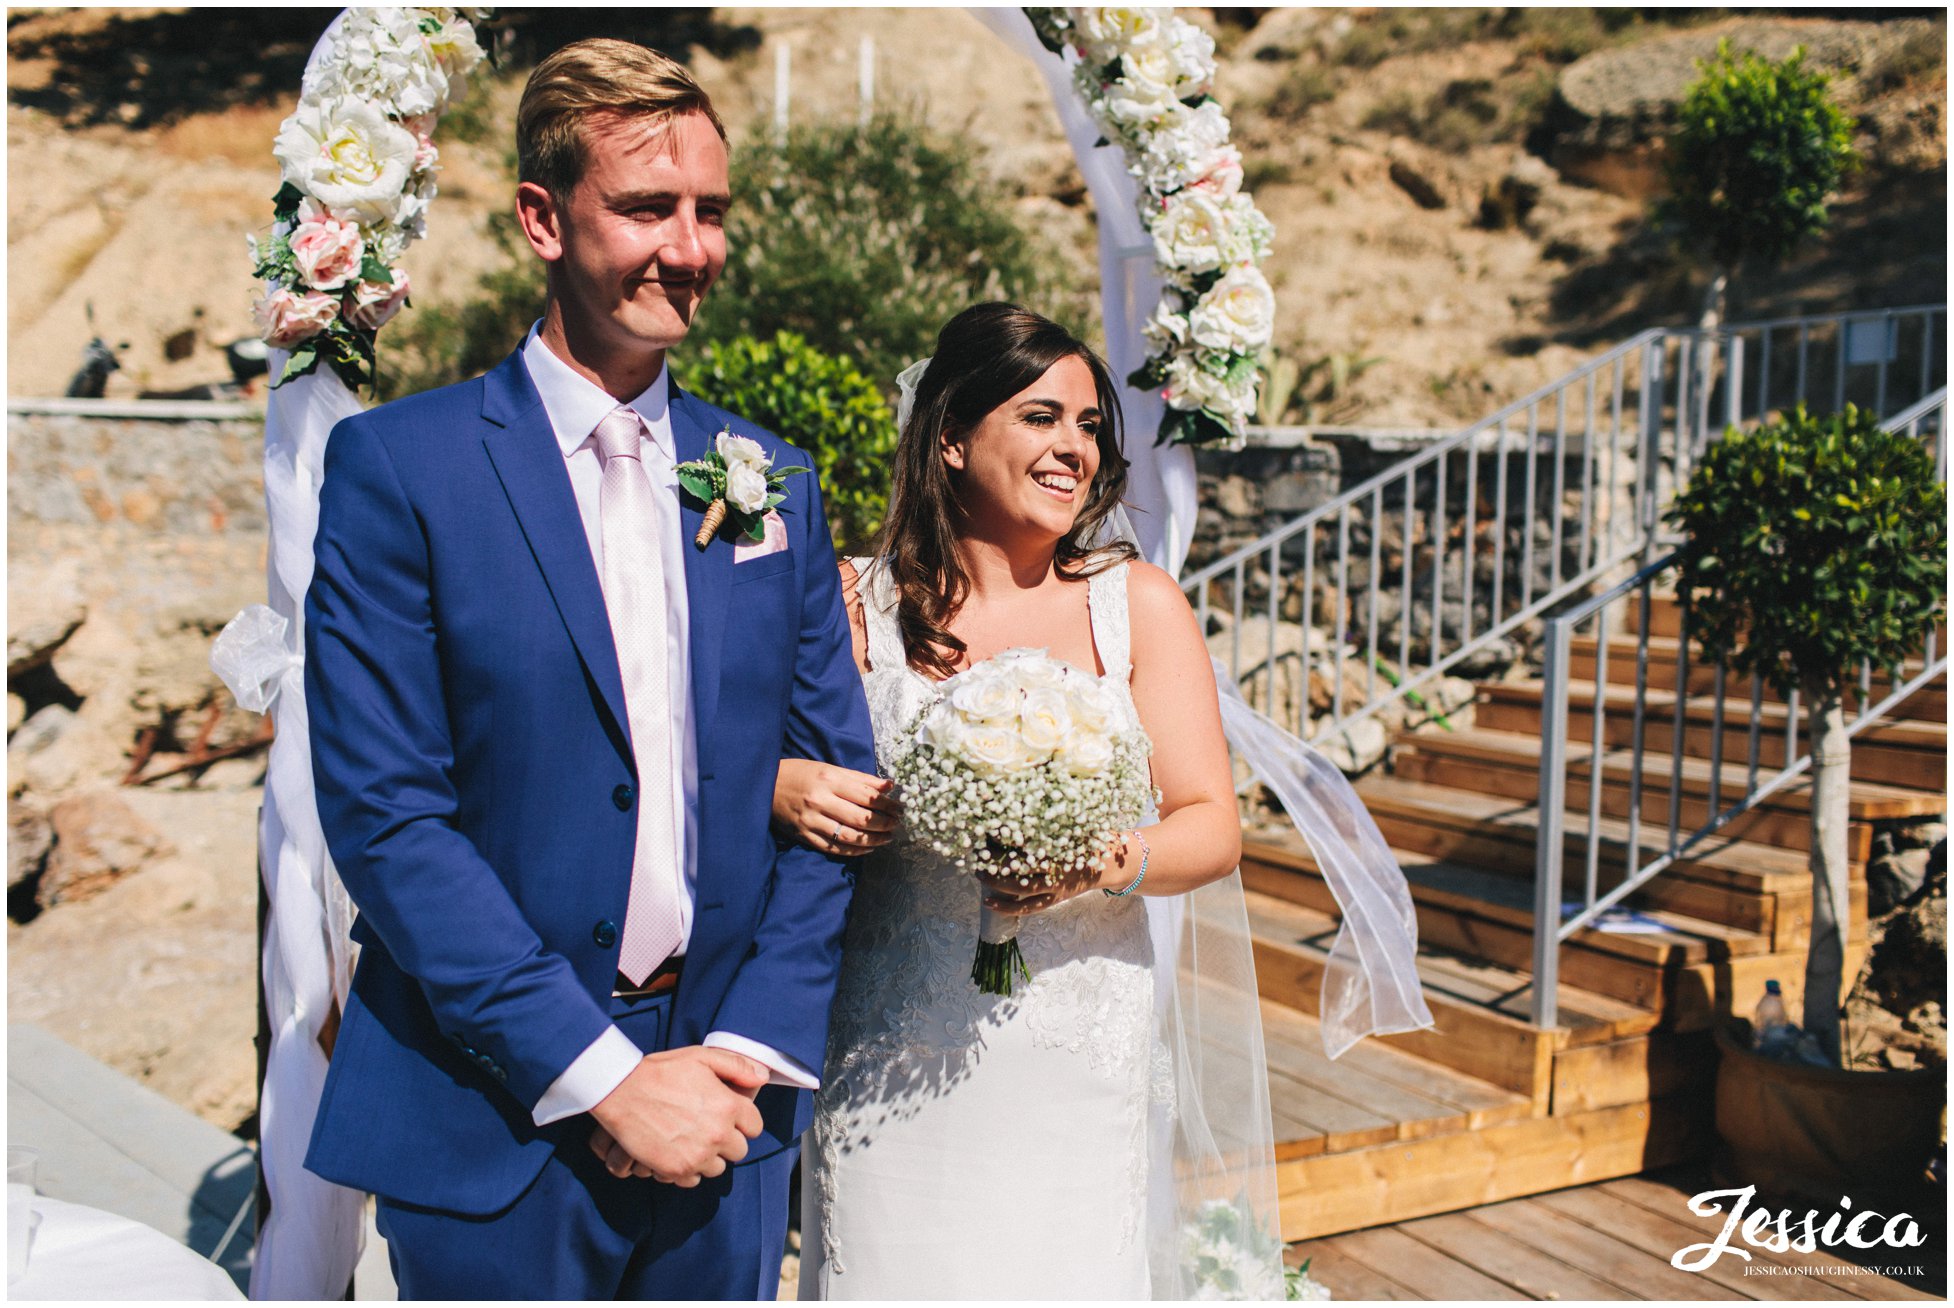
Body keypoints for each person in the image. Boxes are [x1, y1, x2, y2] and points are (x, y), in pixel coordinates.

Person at [300, 39, 875, 1300]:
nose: (690, 247)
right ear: (542, 219)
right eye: (647, 208)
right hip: (490, 1113)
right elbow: (389, 820)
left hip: (726, 1120)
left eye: (710, 212)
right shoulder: (403, 472)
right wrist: (607, 1080)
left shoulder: (770, 479)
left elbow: (839, 790)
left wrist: (746, 1047)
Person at [779, 303, 1282, 1299]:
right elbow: (725, 766)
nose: (1075, 449)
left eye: (1090, 426)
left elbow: (1210, 823)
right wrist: (786, 787)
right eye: (1043, 417)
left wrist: (1096, 860)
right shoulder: (848, 603)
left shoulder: (1136, 605)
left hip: (1072, 1059)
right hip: (891, 1058)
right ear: (954, 438)